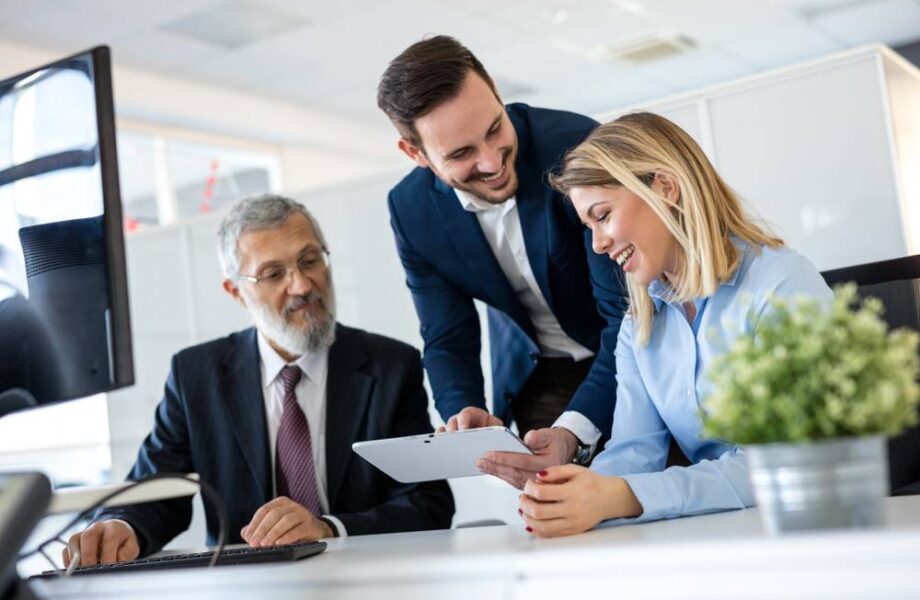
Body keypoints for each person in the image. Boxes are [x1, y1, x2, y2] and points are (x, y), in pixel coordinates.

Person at [64, 194, 454, 566]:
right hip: (245, 582)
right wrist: (121, 526)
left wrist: (329, 528)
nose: (302, 286)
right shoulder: (195, 375)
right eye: (273, 273)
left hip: (366, 579)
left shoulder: (391, 365)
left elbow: (427, 502)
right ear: (236, 292)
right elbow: (156, 490)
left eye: (310, 260)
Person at [518, 113, 833, 537]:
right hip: (722, 534)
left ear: (665, 188)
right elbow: (634, 453)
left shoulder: (780, 284)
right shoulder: (639, 325)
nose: (598, 243)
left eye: (603, 215)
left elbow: (782, 463)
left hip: (811, 530)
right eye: (588, 226)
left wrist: (622, 496)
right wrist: (567, 492)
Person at [378, 36, 628, 488]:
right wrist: (462, 413)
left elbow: (626, 317)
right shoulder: (411, 209)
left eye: (494, 128)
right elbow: (447, 335)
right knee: (556, 524)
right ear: (415, 154)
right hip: (539, 378)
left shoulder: (578, 147)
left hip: (631, 357)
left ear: (494, 89)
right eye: (460, 154)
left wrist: (577, 429)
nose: (492, 161)